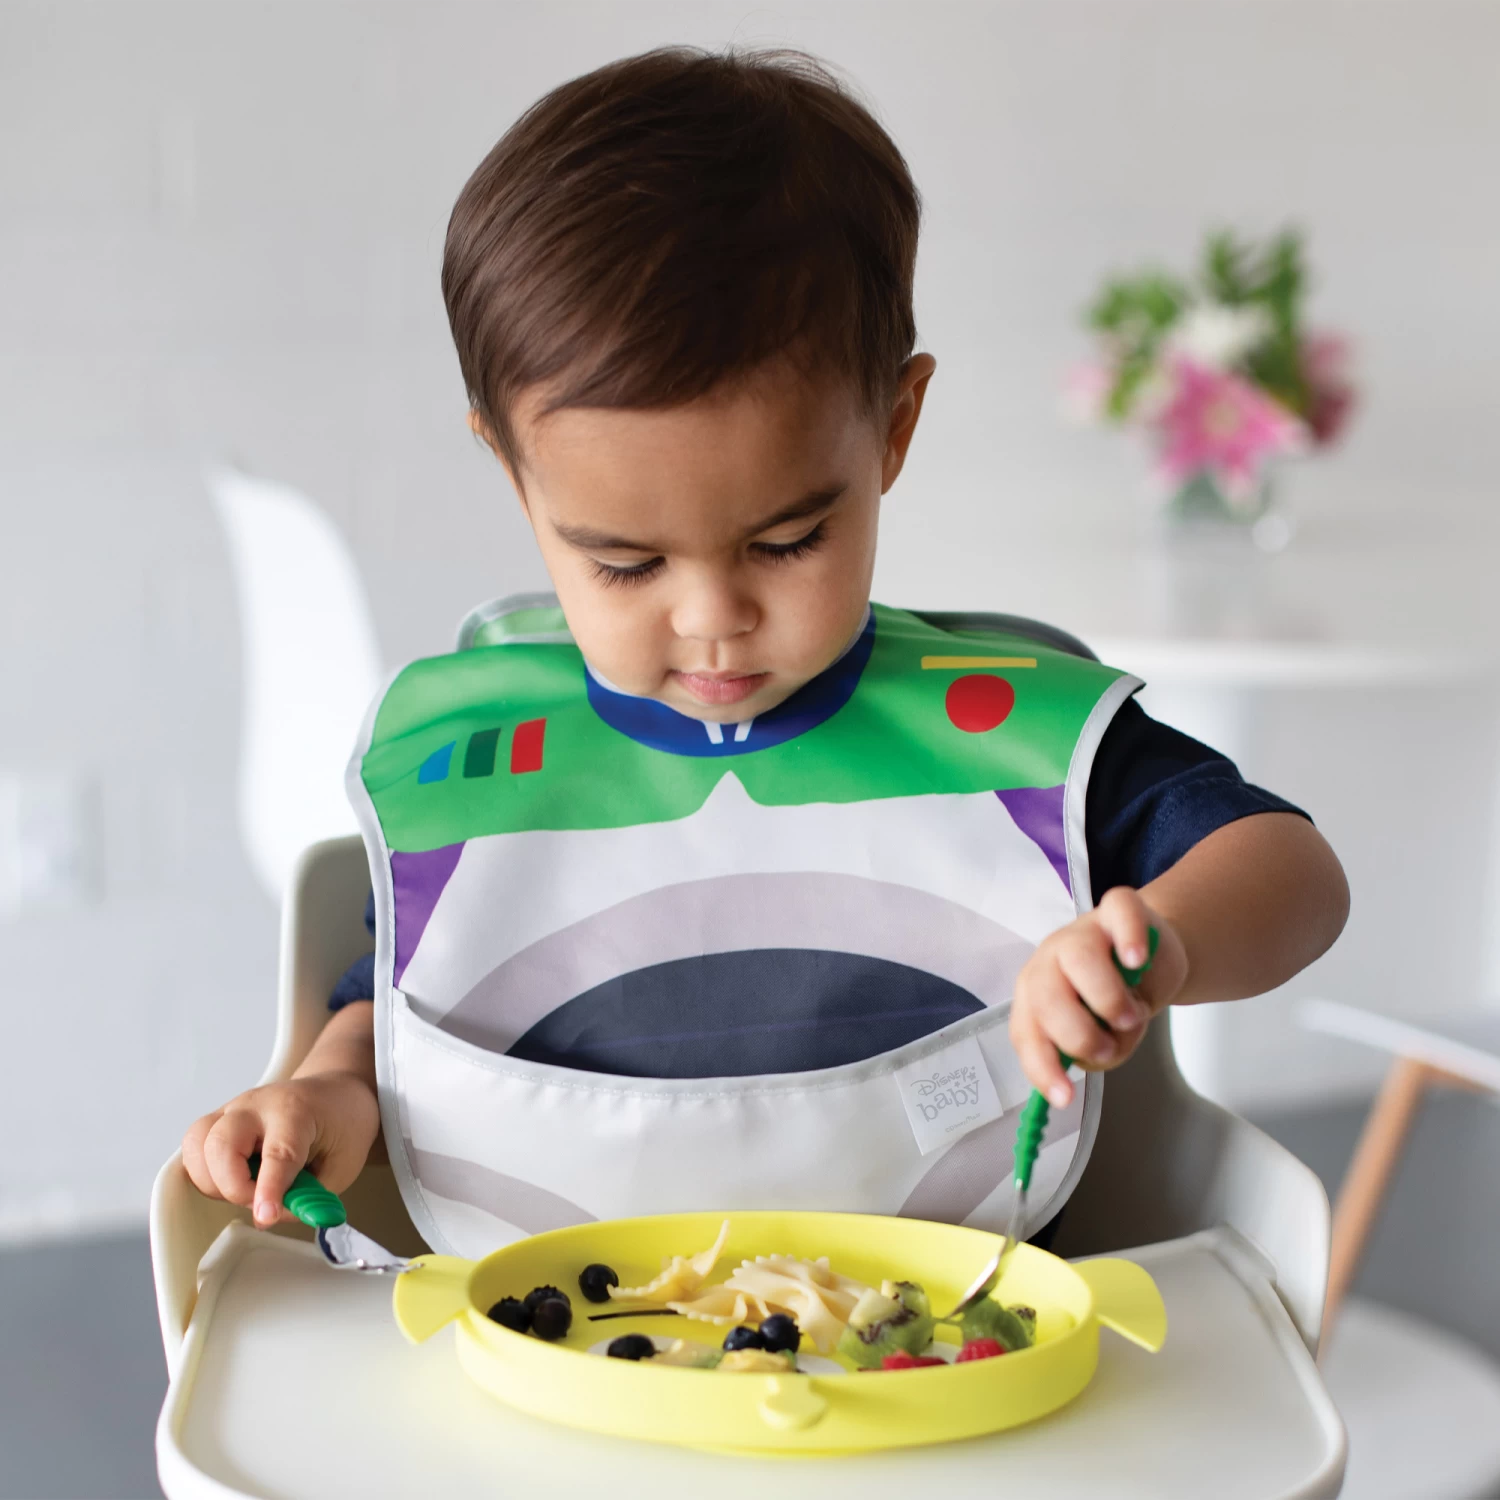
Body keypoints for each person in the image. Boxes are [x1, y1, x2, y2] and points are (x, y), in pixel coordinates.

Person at [183, 48, 1348, 1246]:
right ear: (513, 471)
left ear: (892, 427)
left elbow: (1295, 874)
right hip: (550, 1340)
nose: (711, 617)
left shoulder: (1002, 739)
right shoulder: (480, 756)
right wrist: (328, 1092)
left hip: (951, 1331)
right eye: (625, 563)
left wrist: (1161, 944)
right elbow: (402, 994)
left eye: (787, 542)